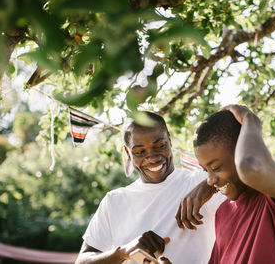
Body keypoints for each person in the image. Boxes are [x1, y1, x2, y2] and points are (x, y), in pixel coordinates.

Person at [75, 111, 223, 264]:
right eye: (140, 151)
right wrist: (124, 252)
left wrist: (210, 185)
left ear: (170, 141)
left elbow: (243, 172)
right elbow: (82, 261)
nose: (153, 158)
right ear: (127, 152)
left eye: (160, 145)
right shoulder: (114, 201)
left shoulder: (201, 182)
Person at [178, 105, 275, 264]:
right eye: (205, 170)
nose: (209, 180)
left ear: (242, 149)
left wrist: (250, 119)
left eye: (215, 167)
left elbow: (251, 166)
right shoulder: (224, 211)